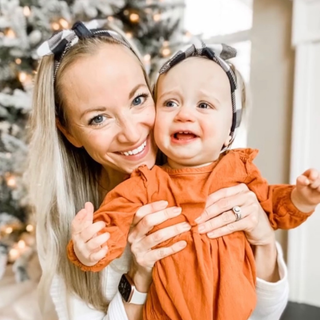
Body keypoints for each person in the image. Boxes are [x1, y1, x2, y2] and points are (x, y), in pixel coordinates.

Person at [28, 20, 289, 320]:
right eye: (98, 118)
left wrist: (264, 239)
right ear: (70, 132)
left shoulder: (211, 173)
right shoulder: (74, 226)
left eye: (138, 100)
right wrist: (139, 276)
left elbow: (266, 314)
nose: (131, 133)